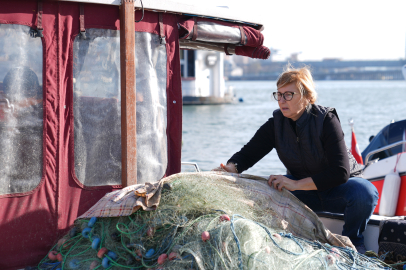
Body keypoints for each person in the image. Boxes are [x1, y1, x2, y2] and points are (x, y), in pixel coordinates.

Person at [219, 66, 378, 254]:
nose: (281, 101)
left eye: (288, 95)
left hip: (339, 191)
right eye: (278, 95)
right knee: (263, 194)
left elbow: (340, 173)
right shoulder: (275, 125)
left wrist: (295, 184)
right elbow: (248, 154)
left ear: (307, 96)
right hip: (305, 194)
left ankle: (354, 243)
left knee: (365, 192)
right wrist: (230, 168)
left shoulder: (326, 120)